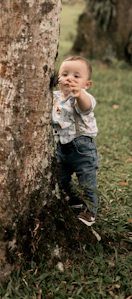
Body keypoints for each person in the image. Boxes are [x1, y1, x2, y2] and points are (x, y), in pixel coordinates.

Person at [52, 56, 99, 226]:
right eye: (64, 74)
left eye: (76, 76)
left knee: (87, 181)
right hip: (62, 146)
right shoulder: (55, 97)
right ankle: (73, 199)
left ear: (87, 84)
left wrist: (79, 94)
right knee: (60, 177)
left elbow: (86, 107)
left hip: (83, 148)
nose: (69, 78)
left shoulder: (84, 97)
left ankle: (90, 211)